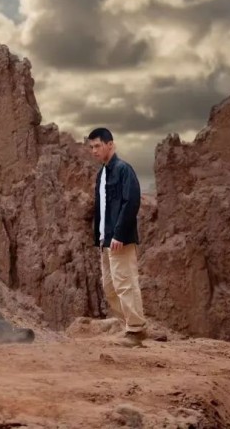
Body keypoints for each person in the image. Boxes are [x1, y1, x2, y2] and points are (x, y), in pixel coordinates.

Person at [88, 127, 147, 347]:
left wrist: (119, 233)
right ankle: (134, 324)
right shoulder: (102, 174)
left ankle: (135, 329)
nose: (94, 151)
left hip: (119, 239)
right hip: (106, 240)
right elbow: (102, 208)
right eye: (91, 147)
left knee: (125, 283)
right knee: (110, 288)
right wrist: (101, 238)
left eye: (97, 146)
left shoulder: (123, 169)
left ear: (110, 145)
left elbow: (131, 202)